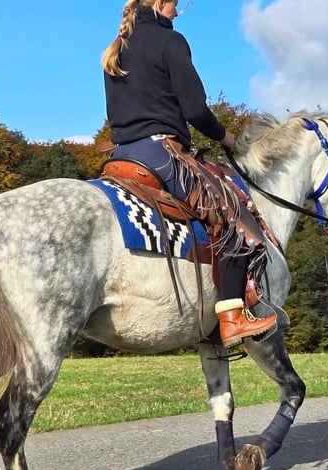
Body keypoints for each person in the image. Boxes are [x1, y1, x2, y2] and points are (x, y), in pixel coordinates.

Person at [101, 0, 276, 348]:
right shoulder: (171, 41)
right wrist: (225, 137)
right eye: (176, 5)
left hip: (120, 155)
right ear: (162, 3)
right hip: (161, 153)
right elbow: (195, 109)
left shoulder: (117, 48)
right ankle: (231, 318)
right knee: (236, 217)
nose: (177, 13)